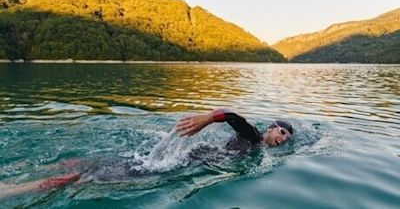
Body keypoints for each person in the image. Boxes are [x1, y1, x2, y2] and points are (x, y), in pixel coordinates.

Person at [0, 109, 293, 199]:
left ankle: (28, 173)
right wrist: (205, 119)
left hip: (193, 158)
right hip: (188, 161)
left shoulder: (257, 145)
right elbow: (232, 116)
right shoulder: (254, 137)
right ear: (271, 128)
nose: (282, 139)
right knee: (93, 178)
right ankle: (14, 189)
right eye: (282, 132)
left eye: (287, 138)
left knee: (107, 166)